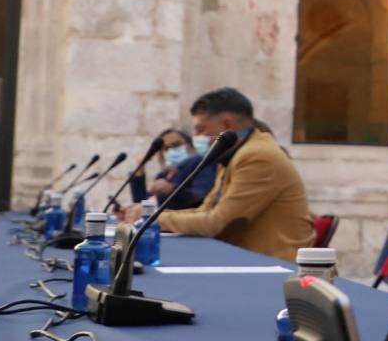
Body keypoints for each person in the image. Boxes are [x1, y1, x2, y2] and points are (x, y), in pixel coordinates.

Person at [122, 88, 313, 261]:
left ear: (227, 125)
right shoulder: (232, 153)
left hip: (276, 268)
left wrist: (153, 219)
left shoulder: (257, 156)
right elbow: (205, 211)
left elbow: (215, 223)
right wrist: (154, 215)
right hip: (246, 260)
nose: (197, 137)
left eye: (201, 129)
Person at [126, 128, 217, 212]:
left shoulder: (199, 164)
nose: (171, 150)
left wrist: (171, 189)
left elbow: (199, 197)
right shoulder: (162, 176)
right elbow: (144, 206)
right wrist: (139, 172)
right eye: (165, 148)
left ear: (190, 146)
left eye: (176, 145)